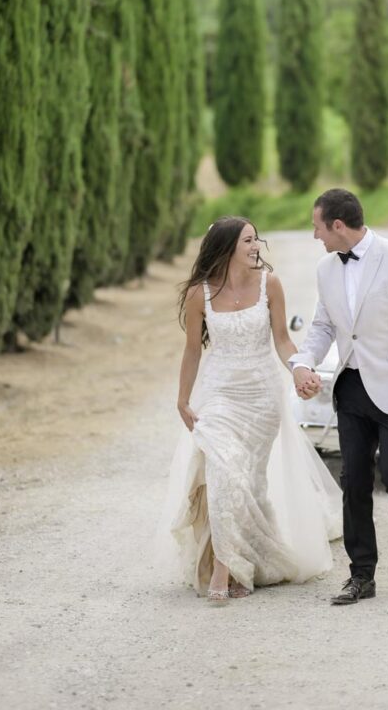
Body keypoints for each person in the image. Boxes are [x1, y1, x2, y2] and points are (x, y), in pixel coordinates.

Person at [156, 216, 341, 606]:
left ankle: (251, 560)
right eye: (247, 241)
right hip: (219, 394)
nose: (256, 246)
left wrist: (299, 369)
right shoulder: (200, 293)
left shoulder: (269, 284)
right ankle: (224, 568)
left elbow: (283, 340)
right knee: (224, 473)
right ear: (226, 248)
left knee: (250, 483)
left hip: (262, 396)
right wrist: (182, 399)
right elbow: (192, 350)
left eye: (256, 239)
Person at [290, 188, 388, 606]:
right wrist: (303, 362)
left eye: (317, 227)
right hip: (351, 387)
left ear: (337, 225)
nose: (315, 235)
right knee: (354, 481)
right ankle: (361, 575)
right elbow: (323, 326)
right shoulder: (326, 268)